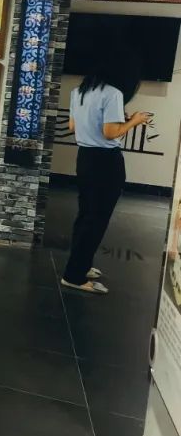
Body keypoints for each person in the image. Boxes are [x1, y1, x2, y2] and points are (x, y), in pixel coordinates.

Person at [61, 59, 151, 294]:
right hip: (106, 162)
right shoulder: (113, 94)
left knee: (86, 215)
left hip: (84, 158)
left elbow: (72, 126)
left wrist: (118, 120)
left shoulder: (78, 91)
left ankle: (81, 265)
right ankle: (74, 276)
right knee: (97, 219)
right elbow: (110, 133)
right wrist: (135, 121)